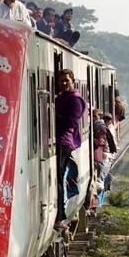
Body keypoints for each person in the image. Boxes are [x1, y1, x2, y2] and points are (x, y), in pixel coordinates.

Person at [54, 69, 88, 230]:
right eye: (61, 81)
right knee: (58, 178)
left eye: (67, 80)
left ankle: (60, 217)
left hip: (64, 142)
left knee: (59, 179)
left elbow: (71, 122)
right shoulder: (62, 97)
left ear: (73, 81)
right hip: (59, 141)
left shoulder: (75, 100)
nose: (64, 83)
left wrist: (52, 113)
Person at [92, 110, 118, 211]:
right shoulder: (108, 128)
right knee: (101, 181)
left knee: (100, 182)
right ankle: (97, 203)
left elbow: (102, 142)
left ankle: (97, 204)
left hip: (103, 156)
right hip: (106, 157)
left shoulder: (101, 127)